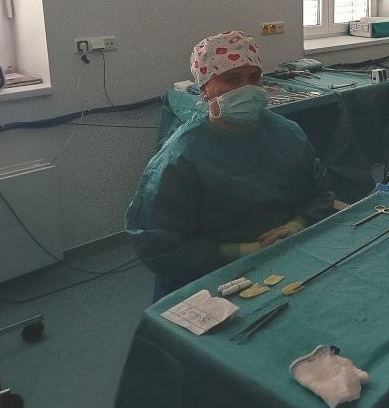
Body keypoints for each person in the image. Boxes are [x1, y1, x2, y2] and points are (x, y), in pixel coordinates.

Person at [127, 30, 335, 297]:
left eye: (254, 77)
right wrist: (242, 251)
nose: (247, 88)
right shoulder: (181, 157)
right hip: (214, 278)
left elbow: (320, 193)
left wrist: (296, 225)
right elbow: (156, 244)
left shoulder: (287, 133)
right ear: (204, 89)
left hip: (289, 256)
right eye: (232, 79)